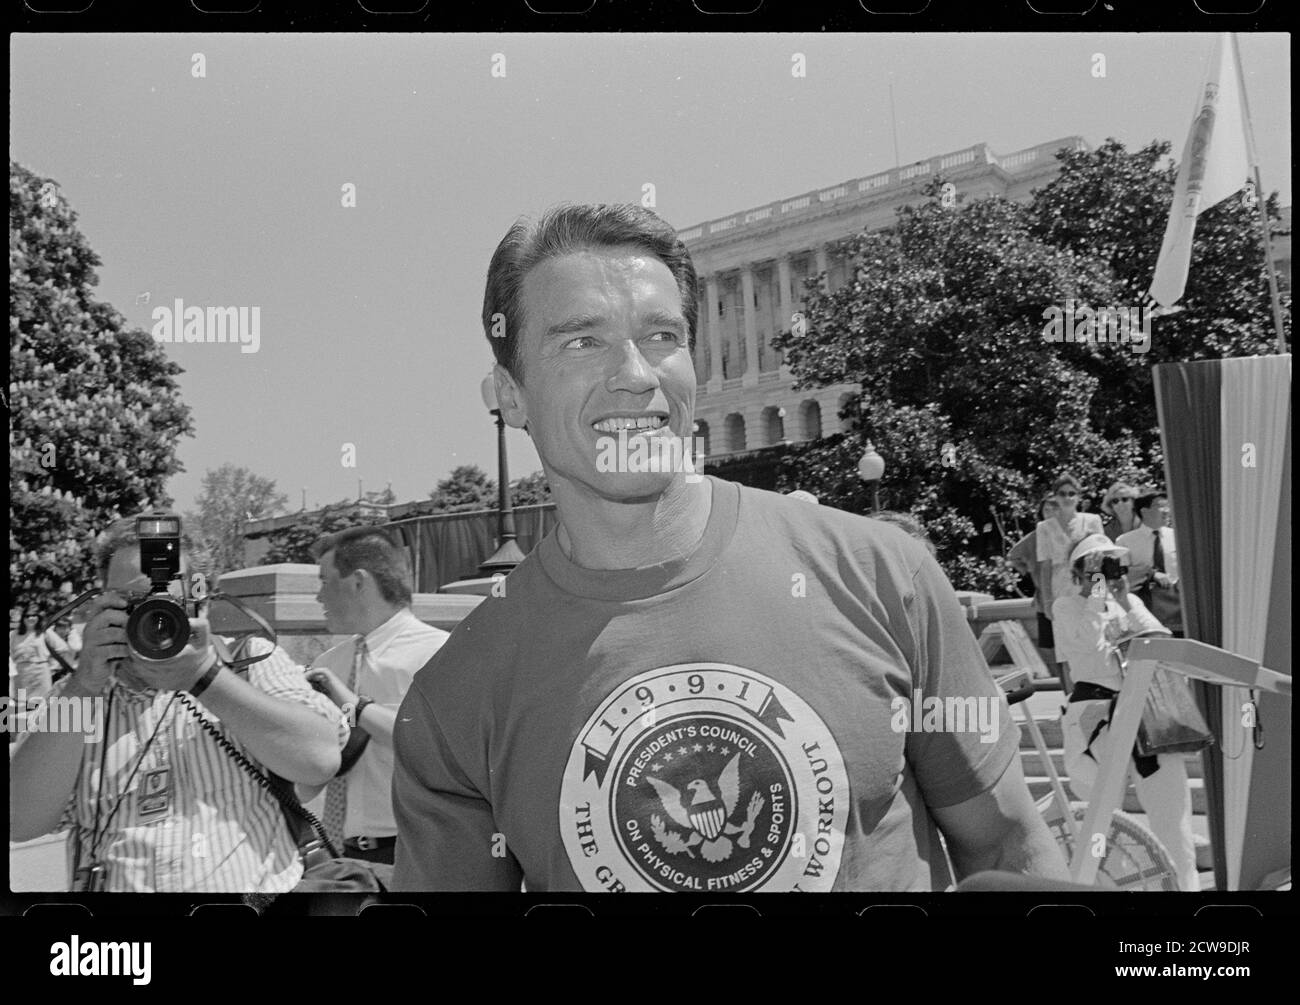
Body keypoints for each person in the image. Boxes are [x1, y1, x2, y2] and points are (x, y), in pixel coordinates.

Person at [391, 202, 1068, 892]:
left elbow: (1007, 845)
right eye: (582, 342)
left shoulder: (882, 577)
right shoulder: (454, 700)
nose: (635, 374)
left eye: (660, 335)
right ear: (510, 395)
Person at [9, 516, 348, 892]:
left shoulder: (251, 661)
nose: (151, 618)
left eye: (165, 601)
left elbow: (319, 760)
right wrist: (84, 685)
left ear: (200, 599)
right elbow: (20, 821)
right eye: (130, 602)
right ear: (101, 602)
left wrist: (206, 678)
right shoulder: (75, 698)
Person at [294, 526, 449, 866]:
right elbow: (311, 771)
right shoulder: (329, 663)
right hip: (342, 857)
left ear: (359, 582)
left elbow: (434, 745)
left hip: (418, 856)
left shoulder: (440, 654)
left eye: (324, 581)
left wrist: (356, 705)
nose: (319, 597)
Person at [1051, 533, 1198, 891]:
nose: (1102, 573)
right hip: (1096, 716)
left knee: (1173, 815)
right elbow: (1086, 644)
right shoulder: (1066, 607)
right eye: (1094, 567)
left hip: (1145, 712)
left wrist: (1123, 601)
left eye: (1109, 564)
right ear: (1077, 573)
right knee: (1101, 819)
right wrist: (1097, 601)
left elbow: (1161, 642)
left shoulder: (1127, 600)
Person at [1035, 474, 1104, 691]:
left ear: (1078, 497)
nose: (1067, 498)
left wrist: (1101, 590)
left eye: (1071, 493)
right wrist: (1046, 601)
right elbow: (1044, 567)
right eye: (1062, 493)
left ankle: (1099, 690)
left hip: (1087, 583)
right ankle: (1071, 697)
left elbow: (1101, 556)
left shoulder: (1092, 521)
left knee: (1094, 638)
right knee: (1065, 647)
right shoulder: (1044, 527)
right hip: (1060, 590)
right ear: (1055, 496)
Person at [1117, 492, 1183, 637]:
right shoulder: (1125, 541)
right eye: (1160, 506)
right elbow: (1122, 575)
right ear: (1144, 511)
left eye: (1167, 505)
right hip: (1146, 609)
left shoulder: (1178, 536)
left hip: (1178, 609)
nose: (1166, 510)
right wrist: (1151, 574)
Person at [1007, 494, 1059, 668]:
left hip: (1071, 595)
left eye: (1054, 507)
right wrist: (1028, 570)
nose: (1050, 512)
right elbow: (1013, 556)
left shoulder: (1076, 532)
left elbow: (1098, 575)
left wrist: (1099, 596)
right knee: (1050, 645)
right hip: (1045, 599)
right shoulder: (1034, 537)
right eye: (1046, 508)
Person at [9, 604, 55, 711]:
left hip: (41, 673)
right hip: (22, 673)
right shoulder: (13, 634)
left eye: (34, 615)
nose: (31, 618)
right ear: (23, 618)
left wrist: (53, 665)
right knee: (23, 707)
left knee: (42, 707)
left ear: (38, 618)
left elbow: (62, 648)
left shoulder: (45, 632)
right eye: (28, 616)